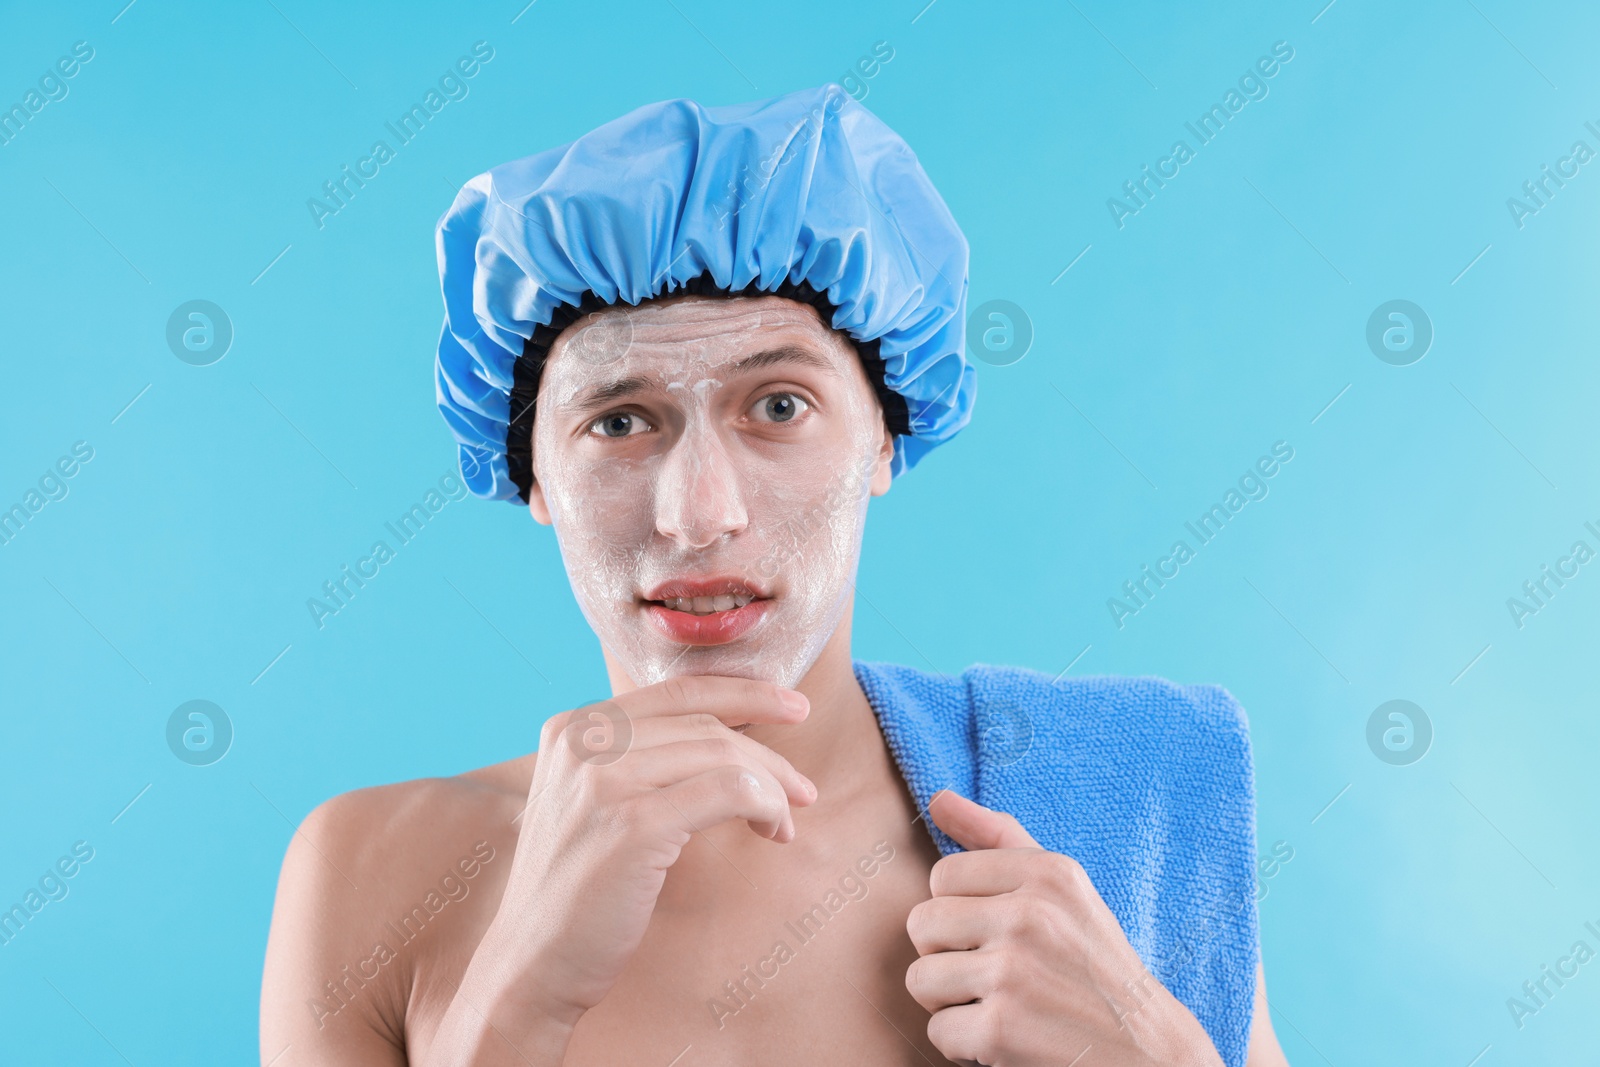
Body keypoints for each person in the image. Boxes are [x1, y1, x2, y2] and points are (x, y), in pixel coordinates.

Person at [260, 84, 1289, 1066]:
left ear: (886, 439)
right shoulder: (368, 877)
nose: (701, 512)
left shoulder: (1132, 810)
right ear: (527, 469)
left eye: (779, 405)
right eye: (619, 420)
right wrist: (517, 996)